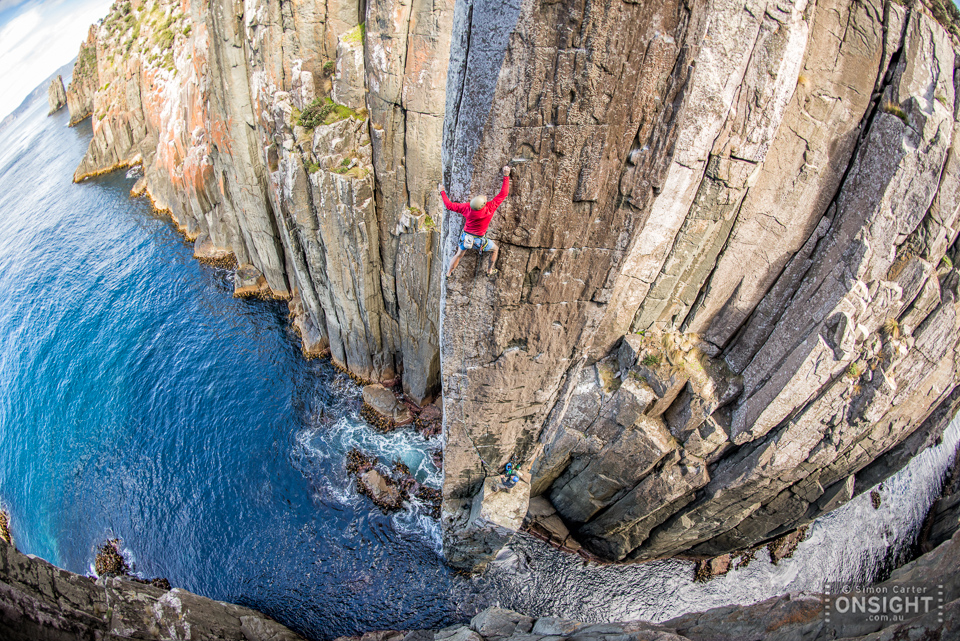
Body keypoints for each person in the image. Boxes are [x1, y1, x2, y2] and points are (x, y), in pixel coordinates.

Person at [439, 166, 511, 277]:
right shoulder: (489, 208)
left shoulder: (467, 208)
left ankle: (448, 273)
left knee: (459, 254)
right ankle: (489, 271)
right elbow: (504, 193)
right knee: (495, 249)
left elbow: (449, 206)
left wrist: (442, 191)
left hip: (466, 238)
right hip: (479, 241)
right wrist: (506, 175)